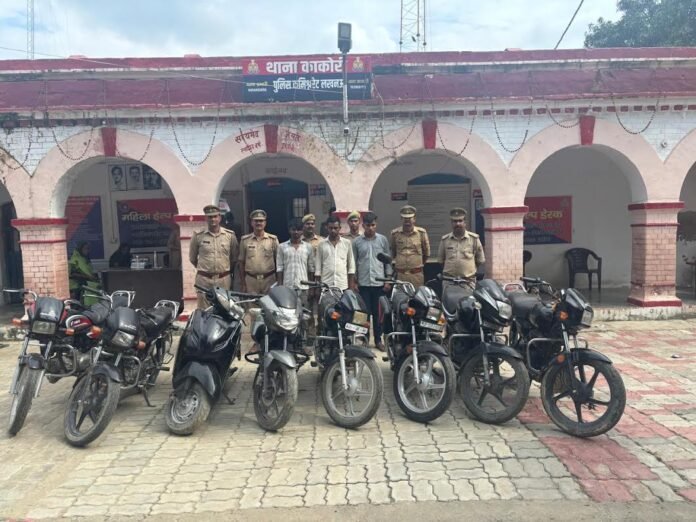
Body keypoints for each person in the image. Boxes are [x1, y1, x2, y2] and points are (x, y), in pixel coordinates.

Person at [352, 212, 391, 351]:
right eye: (368, 225)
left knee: (378, 314)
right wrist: (354, 282)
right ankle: (364, 339)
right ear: (363, 225)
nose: (370, 228)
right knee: (363, 313)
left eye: (373, 225)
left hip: (379, 283)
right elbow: (353, 263)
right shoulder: (356, 242)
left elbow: (388, 262)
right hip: (363, 284)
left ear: (376, 225)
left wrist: (388, 280)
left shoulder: (383, 240)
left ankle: (378, 340)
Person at [189, 205, 239, 309]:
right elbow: (193, 258)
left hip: (223, 279)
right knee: (204, 310)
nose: (213, 219)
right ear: (205, 218)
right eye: (210, 217)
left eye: (215, 216)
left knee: (224, 309)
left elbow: (234, 258)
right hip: (204, 280)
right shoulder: (198, 236)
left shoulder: (230, 235)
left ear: (220, 218)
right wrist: (206, 270)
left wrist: (223, 270)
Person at [438, 207, 485, 290]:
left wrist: (469, 271)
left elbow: (480, 260)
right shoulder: (445, 240)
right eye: (455, 221)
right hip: (449, 281)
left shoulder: (474, 239)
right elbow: (441, 261)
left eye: (460, 221)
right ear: (451, 223)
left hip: (468, 282)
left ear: (465, 222)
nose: (458, 224)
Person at [239, 209, 279, 294]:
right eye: (256, 221)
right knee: (251, 302)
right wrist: (243, 283)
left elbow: (278, 262)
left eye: (261, 221)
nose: (258, 223)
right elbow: (241, 262)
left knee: (269, 302)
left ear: (265, 223)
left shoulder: (273, 240)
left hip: (269, 279)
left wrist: (278, 281)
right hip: (251, 280)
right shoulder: (245, 240)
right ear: (251, 223)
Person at [390, 205, 430, 288]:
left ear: (414, 219)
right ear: (401, 219)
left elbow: (426, 253)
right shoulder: (395, 234)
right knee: (401, 295)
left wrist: (417, 265)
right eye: (405, 218)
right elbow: (393, 252)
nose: (407, 221)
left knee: (417, 295)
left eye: (409, 218)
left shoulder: (421, 233)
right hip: (401, 275)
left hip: (416, 275)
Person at [277, 218, 315, 307]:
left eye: (299, 230)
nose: (296, 232)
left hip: (304, 288)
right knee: (288, 312)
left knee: (305, 313)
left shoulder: (308, 247)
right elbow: (279, 268)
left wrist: (311, 288)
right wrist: (280, 287)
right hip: (287, 287)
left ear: (302, 231)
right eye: (293, 230)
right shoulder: (282, 247)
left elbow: (311, 269)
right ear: (289, 230)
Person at [315, 215, 355, 291]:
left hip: (342, 285)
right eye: (331, 228)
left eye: (335, 228)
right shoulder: (321, 244)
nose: (333, 230)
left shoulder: (347, 243)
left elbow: (351, 267)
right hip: (326, 285)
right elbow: (318, 268)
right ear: (327, 228)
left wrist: (351, 287)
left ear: (340, 228)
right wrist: (317, 289)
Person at [302, 213, 323, 334]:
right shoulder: (299, 240)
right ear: (303, 226)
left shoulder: (321, 241)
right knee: (307, 308)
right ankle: (309, 334)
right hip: (305, 278)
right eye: (307, 224)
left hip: (319, 278)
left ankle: (320, 333)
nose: (310, 226)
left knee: (320, 307)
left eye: (312, 224)